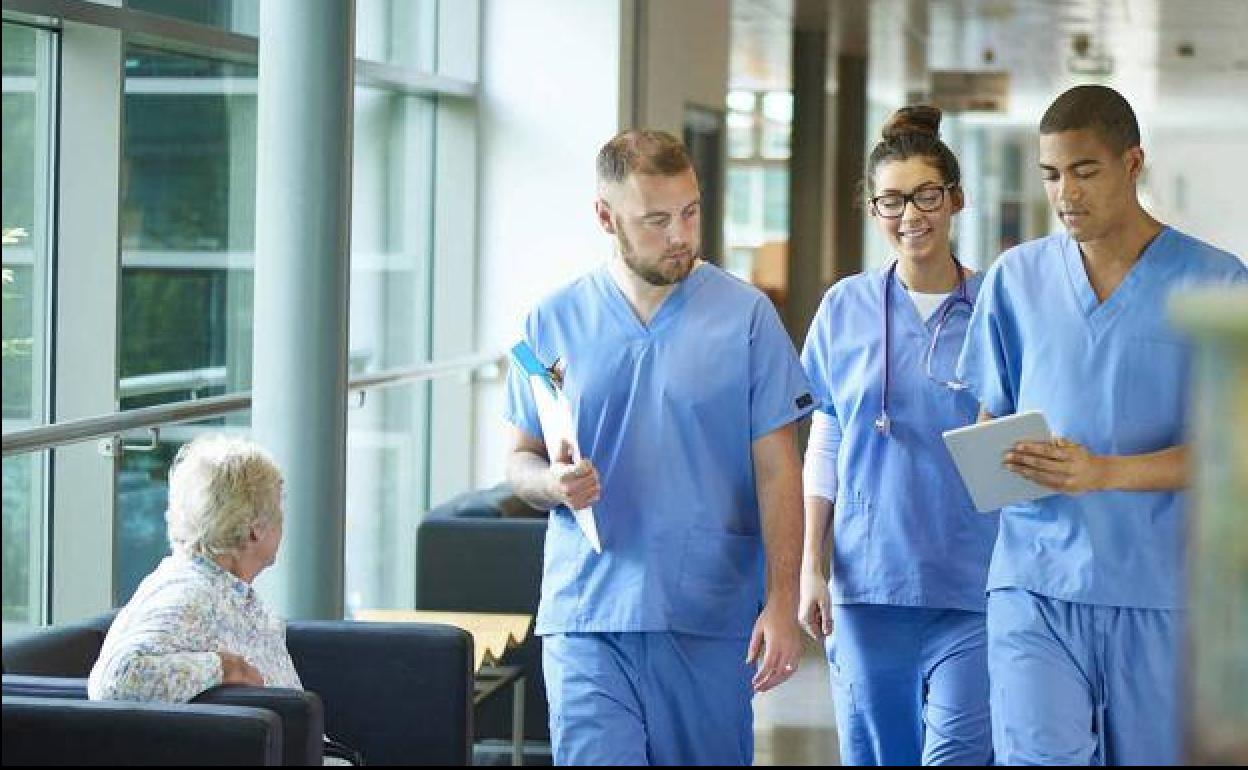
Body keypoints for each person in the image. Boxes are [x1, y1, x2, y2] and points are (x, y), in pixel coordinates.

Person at [957, 84, 1248, 765]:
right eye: (1051, 175)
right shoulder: (1016, 279)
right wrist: (1001, 458)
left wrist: (1103, 473)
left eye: (1084, 171)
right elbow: (992, 410)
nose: (1066, 194)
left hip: (1163, 595)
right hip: (1033, 581)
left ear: (1132, 163)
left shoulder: (1218, 282)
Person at [504, 129, 814, 765]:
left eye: (690, 212)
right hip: (588, 610)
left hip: (708, 610)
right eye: (656, 219)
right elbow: (520, 460)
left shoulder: (746, 317)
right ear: (605, 217)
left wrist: (783, 603)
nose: (680, 235)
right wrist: (550, 485)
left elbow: (779, 472)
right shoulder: (551, 320)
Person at [797, 105, 996, 766]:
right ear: (873, 209)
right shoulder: (844, 307)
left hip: (973, 582)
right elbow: (826, 442)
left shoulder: (994, 308)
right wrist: (811, 566)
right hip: (868, 584)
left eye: (926, 195)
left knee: (959, 755)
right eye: (892, 200)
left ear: (956, 199)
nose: (911, 215)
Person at [89, 434, 297, 702]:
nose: (282, 521)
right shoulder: (191, 595)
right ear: (255, 529)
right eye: (278, 510)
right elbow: (117, 680)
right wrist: (225, 667)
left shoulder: (221, 586)